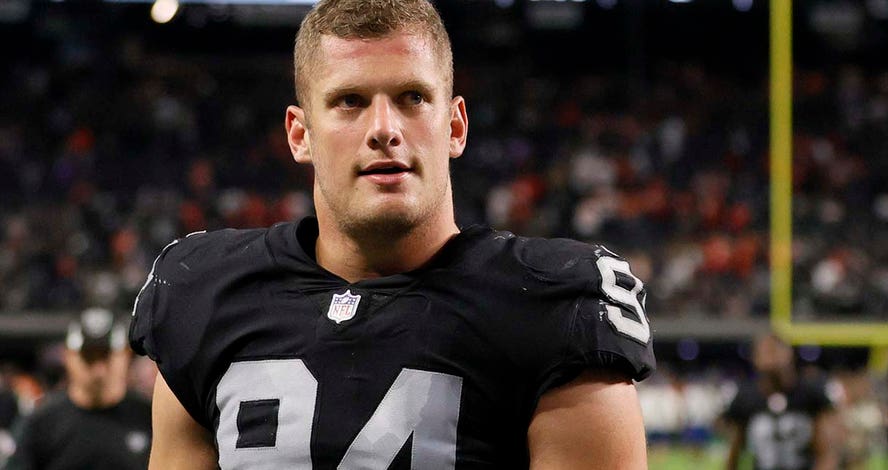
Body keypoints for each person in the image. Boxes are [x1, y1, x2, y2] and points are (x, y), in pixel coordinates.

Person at [129, 0, 655, 468]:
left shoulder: (556, 306)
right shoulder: (203, 293)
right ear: (299, 134)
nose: (384, 127)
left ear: (455, 127)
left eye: (411, 97)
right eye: (350, 101)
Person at [7, 308, 152, 470]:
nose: (99, 371)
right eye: (88, 357)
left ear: (125, 355)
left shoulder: (149, 417)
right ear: (68, 357)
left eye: (106, 356)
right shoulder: (41, 422)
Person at [723, 333, 841, 470]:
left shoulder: (810, 393)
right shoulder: (746, 397)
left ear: (789, 354)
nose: (772, 357)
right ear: (755, 358)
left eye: (775, 351)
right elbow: (735, 450)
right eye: (766, 352)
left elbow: (827, 451)